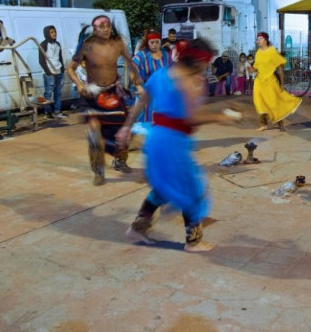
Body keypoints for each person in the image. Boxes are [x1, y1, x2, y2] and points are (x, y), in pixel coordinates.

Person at [116, 38, 241, 252]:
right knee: (192, 189)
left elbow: (141, 101)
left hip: (156, 140)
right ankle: (194, 242)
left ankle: (138, 228)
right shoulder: (189, 82)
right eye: (206, 62)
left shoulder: (161, 74)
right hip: (173, 143)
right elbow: (191, 118)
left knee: (163, 188)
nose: (207, 66)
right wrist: (223, 116)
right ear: (199, 62)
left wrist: (126, 127)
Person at [66, 15, 143, 185]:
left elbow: (131, 64)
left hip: (113, 93)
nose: (105, 29)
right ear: (95, 29)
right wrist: (79, 85)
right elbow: (70, 69)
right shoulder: (86, 46)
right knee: (94, 133)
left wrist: (137, 84)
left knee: (124, 133)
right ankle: (98, 169)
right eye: (101, 26)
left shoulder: (118, 44)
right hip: (92, 94)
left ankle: (120, 160)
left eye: (107, 26)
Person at [247, 32, 301, 131]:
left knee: (274, 103)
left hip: (270, 82)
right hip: (259, 82)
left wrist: (282, 83)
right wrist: (251, 70)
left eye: (260, 39)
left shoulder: (272, 51)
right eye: (257, 39)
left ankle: (280, 122)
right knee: (259, 103)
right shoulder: (258, 52)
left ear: (265, 40)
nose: (258, 41)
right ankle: (263, 124)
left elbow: (280, 68)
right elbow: (256, 68)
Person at [132, 30, 172, 121]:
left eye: (157, 42)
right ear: (148, 43)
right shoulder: (141, 56)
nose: (155, 45)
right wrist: (139, 87)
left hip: (163, 94)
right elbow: (133, 71)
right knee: (146, 120)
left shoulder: (166, 55)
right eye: (152, 42)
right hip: (146, 94)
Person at [38, 25, 66, 119]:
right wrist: (48, 71)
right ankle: (48, 112)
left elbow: (60, 57)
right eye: (52, 32)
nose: (54, 34)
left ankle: (57, 111)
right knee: (48, 93)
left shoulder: (57, 44)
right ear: (47, 33)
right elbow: (41, 60)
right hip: (49, 72)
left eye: (55, 32)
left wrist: (62, 68)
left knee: (58, 93)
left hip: (59, 71)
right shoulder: (44, 44)